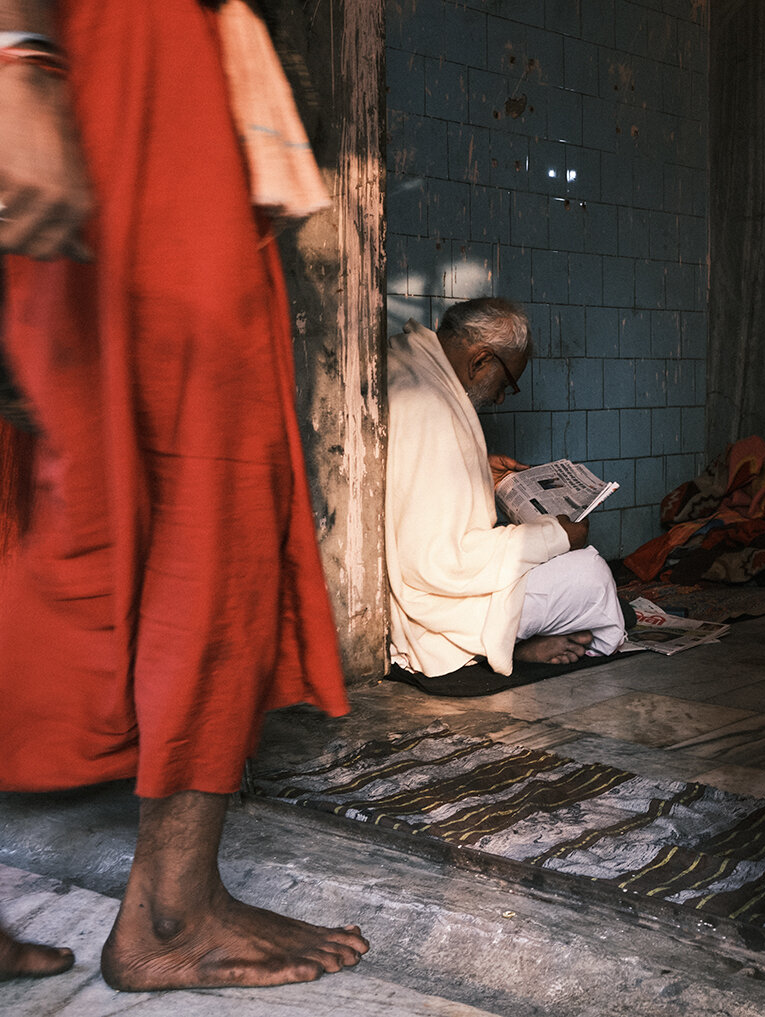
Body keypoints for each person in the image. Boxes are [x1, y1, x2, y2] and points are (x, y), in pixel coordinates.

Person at [0, 0, 367, 990]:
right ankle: (172, 910)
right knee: (213, 488)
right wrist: (20, 59)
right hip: (117, 58)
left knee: (48, 486)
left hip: (109, 63)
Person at [387, 298, 627, 678]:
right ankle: (505, 643)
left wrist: (478, 469)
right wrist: (555, 535)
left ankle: (515, 641)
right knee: (592, 574)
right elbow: (438, 565)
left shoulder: (406, 361)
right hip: (428, 609)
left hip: (422, 585)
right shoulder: (429, 406)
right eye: (506, 384)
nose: (499, 398)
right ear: (481, 360)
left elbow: (410, 479)